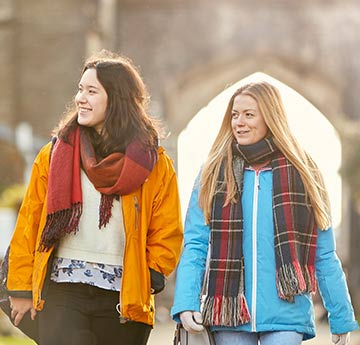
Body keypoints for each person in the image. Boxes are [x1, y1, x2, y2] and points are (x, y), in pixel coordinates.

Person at [5, 49, 183, 345]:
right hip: (62, 290)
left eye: (91, 91)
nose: (80, 99)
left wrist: (150, 272)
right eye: (80, 89)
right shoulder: (53, 155)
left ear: (117, 99)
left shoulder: (154, 164)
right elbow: (29, 225)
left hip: (122, 297)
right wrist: (21, 290)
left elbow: (168, 228)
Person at [171, 81, 359, 345]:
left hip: (287, 312)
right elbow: (196, 243)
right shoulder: (213, 172)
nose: (239, 122)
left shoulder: (304, 172)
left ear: (270, 117)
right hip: (229, 314)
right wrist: (186, 301)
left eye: (249, 114)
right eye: (235, 115)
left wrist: (340, 314)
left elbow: (324, 252)